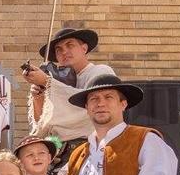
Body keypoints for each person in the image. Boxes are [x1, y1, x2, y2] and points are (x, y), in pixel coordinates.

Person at [25, 28, 115, 166]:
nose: (64, 52)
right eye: (58, 49)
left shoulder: (100, 72)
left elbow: (86, 108)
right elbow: (43, 123)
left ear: (84, 48)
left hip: (90, 151)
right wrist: (39, 97)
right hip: (58, 154)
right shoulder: (57, 82)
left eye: (70, 45)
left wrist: (47, 82)